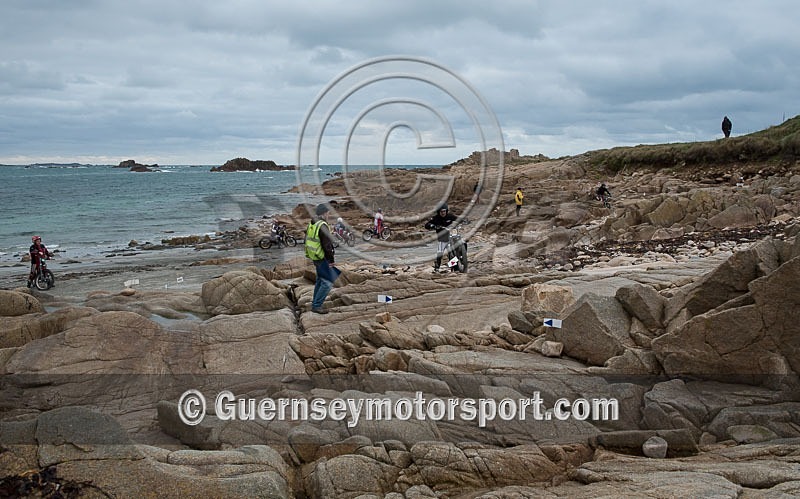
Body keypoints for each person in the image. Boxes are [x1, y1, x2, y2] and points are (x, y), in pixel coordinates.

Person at [304, 204, 339, 314]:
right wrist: (331, 260)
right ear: (324, 213)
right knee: (327, 283)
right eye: (328, 213)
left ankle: (315, 303)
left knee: (320, 280)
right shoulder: (322, 225)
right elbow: (327, 245)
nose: (329, 215)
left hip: (315, 255)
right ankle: (317, 306)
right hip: (322, 256)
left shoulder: (312, 222)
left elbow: (307, 238)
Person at [424, 203, 457, 272]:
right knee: (440, 253)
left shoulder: (450, 216)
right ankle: (437, 267)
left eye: (444, 211)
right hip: (442, 237)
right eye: (441, 211)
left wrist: (465, 220)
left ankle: (455, 265)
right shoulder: (436, 218)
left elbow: (458, 219)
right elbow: (427, 225)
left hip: (451, 234)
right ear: (438, 212)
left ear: (446, 211)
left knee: (457, 247)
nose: (443, 213)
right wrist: (433, 226)